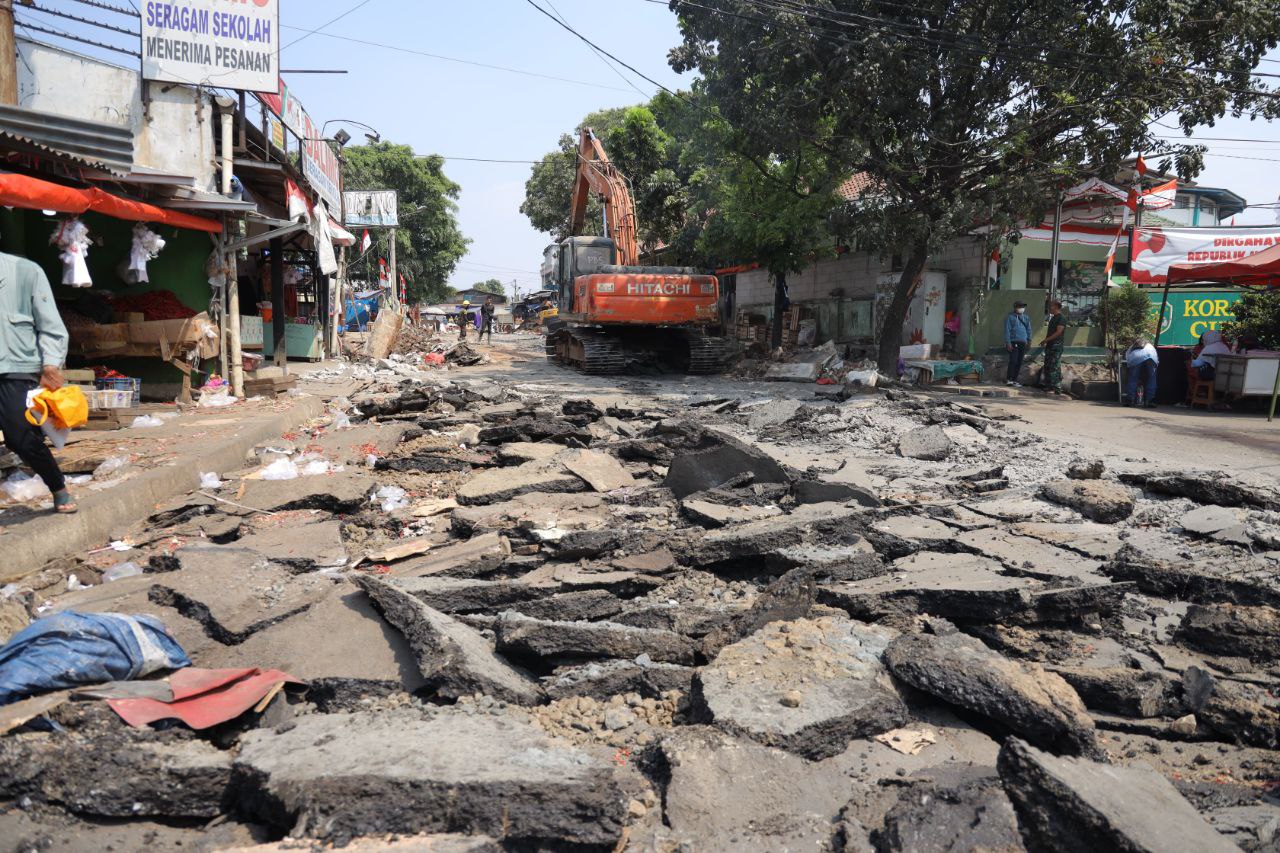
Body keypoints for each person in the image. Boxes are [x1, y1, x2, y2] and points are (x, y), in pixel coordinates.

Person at [0, 252, 74, 513]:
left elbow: (51, 325)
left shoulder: (27, 271)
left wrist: (51, 363)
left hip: (15, 366)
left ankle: (58, 487)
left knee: (20, 436)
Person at [1040, 299, 1068, 395]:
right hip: (1050, 345)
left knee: (1054, 366)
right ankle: (1049, 386)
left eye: (1051, 305)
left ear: (1056, 306)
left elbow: (1059, 332)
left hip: (1056, 346)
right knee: (1048, 365)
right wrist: (1047, 341)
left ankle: (1057, 387)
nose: (1049, 307)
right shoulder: (1053, 318)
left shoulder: (1061, 318)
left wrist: (1046, 340)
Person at [1124, 338, 1159, 408]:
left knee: (1133, 378)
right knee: (1152, 378)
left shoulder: (1131, 347)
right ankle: (1150, 401)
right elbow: (1157, 360)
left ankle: (1131, 400)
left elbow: (1128, 360)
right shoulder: (1150, 346)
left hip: (1136, 357)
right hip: (1152, 356)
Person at [1004, 300, 1031, 387]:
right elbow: (1007, 330)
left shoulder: (1026, 317)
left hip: (1023, 342)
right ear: (1015, 307)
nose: (1022, 308)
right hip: (1013, 342)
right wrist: (1008, 342)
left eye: (1023, 307)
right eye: (1020, 307)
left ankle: (1015, 380)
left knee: (1019, 361)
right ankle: (1009, 379)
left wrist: (1029, 340)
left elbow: (1029, 329)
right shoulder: (1010, 317)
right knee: (1013, 360)